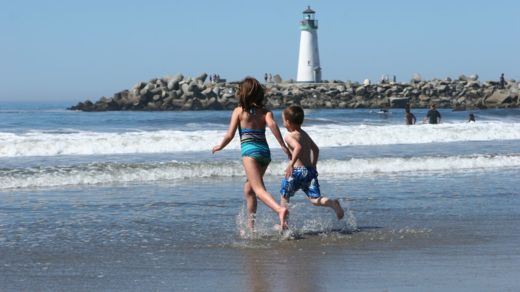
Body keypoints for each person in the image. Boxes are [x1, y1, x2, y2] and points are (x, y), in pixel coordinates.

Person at [212, 77, 290, 230]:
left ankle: (279, 210)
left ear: (243, 94)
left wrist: (220, 146)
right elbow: (273, 125)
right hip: (264, 153)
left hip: (250, 153)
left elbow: (229, 135)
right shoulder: (265, 112)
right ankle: (251, 227)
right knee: (249, 188)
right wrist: (282, 145)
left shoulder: (239, 111)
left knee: (258, 189)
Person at [279, 105, 344, 220]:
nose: (282, 122)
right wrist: (313, 165)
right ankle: (332, 204)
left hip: (296, 172)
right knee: (315, 199)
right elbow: (316, 149)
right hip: (309, 171)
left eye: (283, 120)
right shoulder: (304, 134)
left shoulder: (289, 136)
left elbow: (297, 147)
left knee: (284, 195)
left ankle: (283, 224)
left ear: (288, 122)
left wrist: (290, 164)